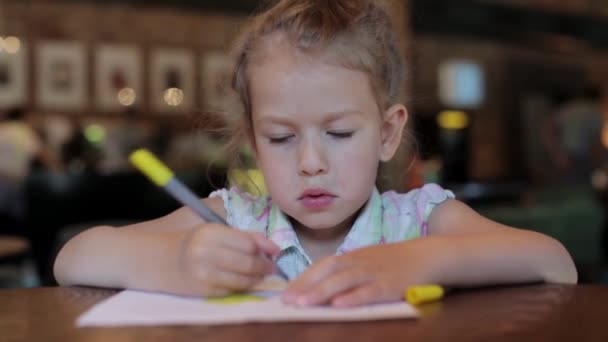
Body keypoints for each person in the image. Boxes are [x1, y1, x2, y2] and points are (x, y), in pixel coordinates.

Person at [54, 0, 576, 307]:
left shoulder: (418, 220)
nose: (310, 163)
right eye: (281, 139)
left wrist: (420, 261)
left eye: (340, 134)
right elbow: (72, 259)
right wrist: (177, 262)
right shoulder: (236, 219)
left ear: (388, 133)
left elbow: (555, 263)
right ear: (255, 143)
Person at [0, 107, 60, 234]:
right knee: (16, 223)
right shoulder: (24, 132)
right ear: (25, 117)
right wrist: (59, 170)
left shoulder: (2, 129)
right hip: (12, 182)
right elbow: (45, 157)